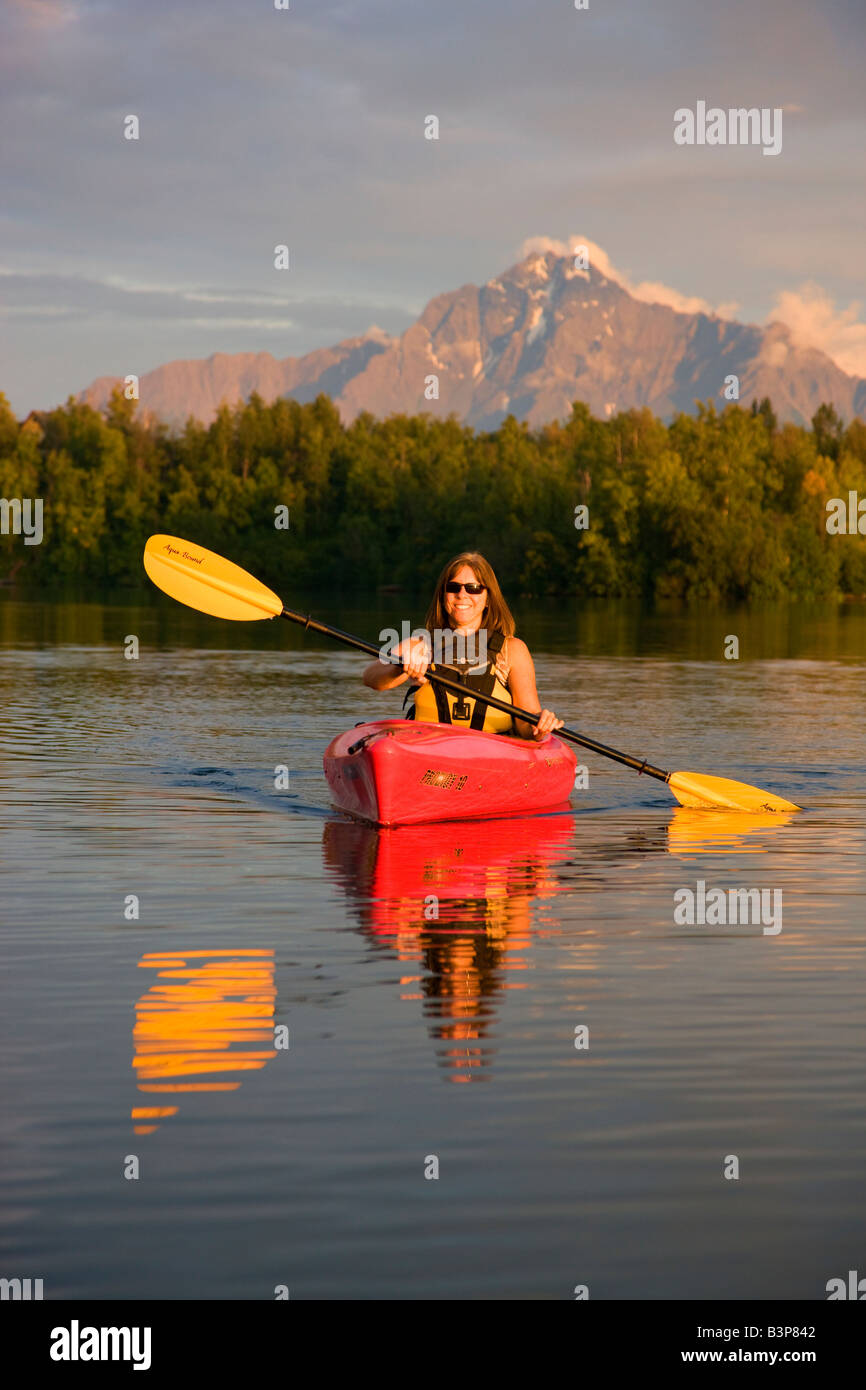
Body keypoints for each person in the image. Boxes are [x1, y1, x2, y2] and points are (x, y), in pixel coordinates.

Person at [362, 551, 563, 740]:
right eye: (453, 587)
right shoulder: (421, 644)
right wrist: (400, 667)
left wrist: (539, 727)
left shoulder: (513, 650)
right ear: (443, 595)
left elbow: (525, 724)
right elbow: (371, 677)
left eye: (473, 588)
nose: (462, 595)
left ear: (487, 599)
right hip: (429, 752)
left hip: (493, 757)